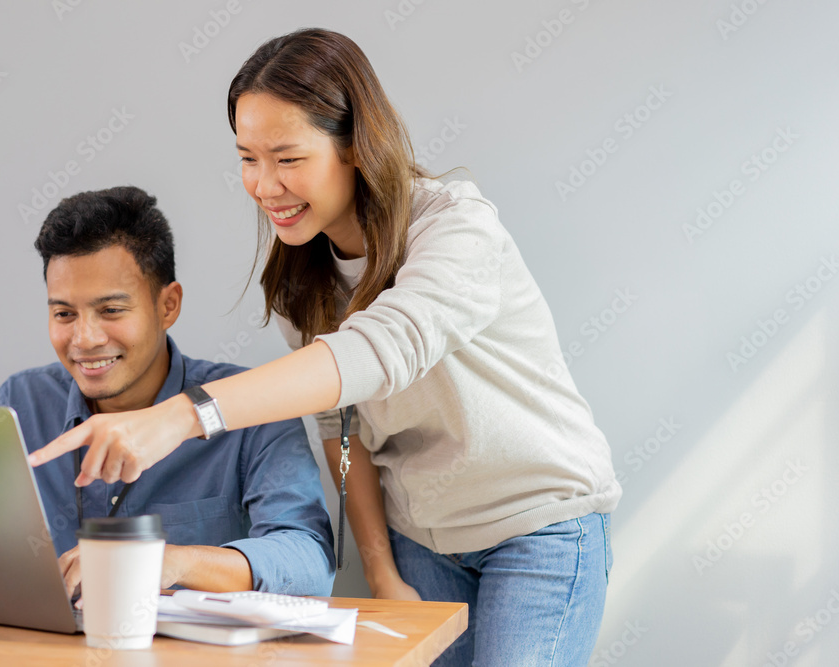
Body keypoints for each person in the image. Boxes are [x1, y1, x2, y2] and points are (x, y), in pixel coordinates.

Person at [31, 30, 621, 665]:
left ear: (356, 147)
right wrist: (382, 571)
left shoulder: (456, 227)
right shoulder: (303, 275)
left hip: (536, 525)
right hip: (423, 539)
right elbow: (345, 427)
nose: (264, 185)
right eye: (248, 158)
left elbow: (381, 350)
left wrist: (183, 415)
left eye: (287, 158)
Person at [0, 185, 335, 602]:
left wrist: (170, 561)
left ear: (168, 305)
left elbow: (309, 564)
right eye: (64, 313)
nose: (84, 339)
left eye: (111, 310)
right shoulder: (19, 404)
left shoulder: (252, 411)